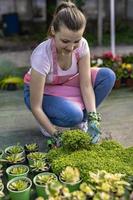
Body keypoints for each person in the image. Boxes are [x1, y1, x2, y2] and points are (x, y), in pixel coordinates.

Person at [24, 1, 116, 147]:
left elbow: (86, 85)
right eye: (65, 41)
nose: (71, 47)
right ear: (54, 31)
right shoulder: (42, 55)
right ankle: (47, 122)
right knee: (74, 115)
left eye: (76, 41)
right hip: (40, 93)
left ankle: (82, 121)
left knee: (107, 76)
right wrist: (55, 134)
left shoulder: (82, 45)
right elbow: (36, 106)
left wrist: (93, 118)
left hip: (66, 85)